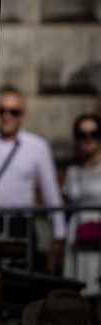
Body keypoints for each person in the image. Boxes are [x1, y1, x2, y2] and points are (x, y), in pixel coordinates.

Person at [0, 87, 66, 270]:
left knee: (19, 281)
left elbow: (51, 193)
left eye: (13, 112)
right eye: (2, 111)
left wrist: (59, 237)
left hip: (20, 225)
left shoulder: (37, 146)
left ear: (22, 115)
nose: (7, 116)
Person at [63, 114, 101, 308]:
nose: (88, 138)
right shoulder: (72, 170)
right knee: (78, 298)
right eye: (82, 134)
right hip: (77, 236)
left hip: (98, 237)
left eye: (94, 133)